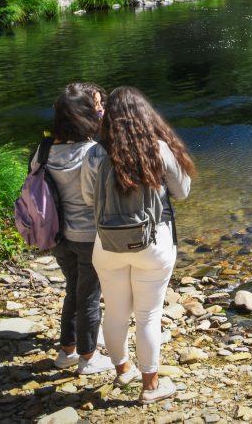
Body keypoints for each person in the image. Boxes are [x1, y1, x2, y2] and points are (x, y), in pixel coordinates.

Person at [82, 86, 194, 405]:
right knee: (148, 315)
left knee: (115, 311)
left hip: (106, 243)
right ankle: (150, 388)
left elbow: (89, 198)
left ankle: (122, 371)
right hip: (154, 242)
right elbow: (183, 192)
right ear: (145, 115)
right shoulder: (156, 148)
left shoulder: (94, 153)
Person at [44, 82, 115, 375]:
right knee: (88, 295)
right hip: (88, 236)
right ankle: (87, 357)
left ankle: (66, 351)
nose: (102, 111)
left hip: (56, 235)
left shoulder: (43, 149)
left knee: (73, 289)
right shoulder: (93, 152)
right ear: (82, 114)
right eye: (97, 106)